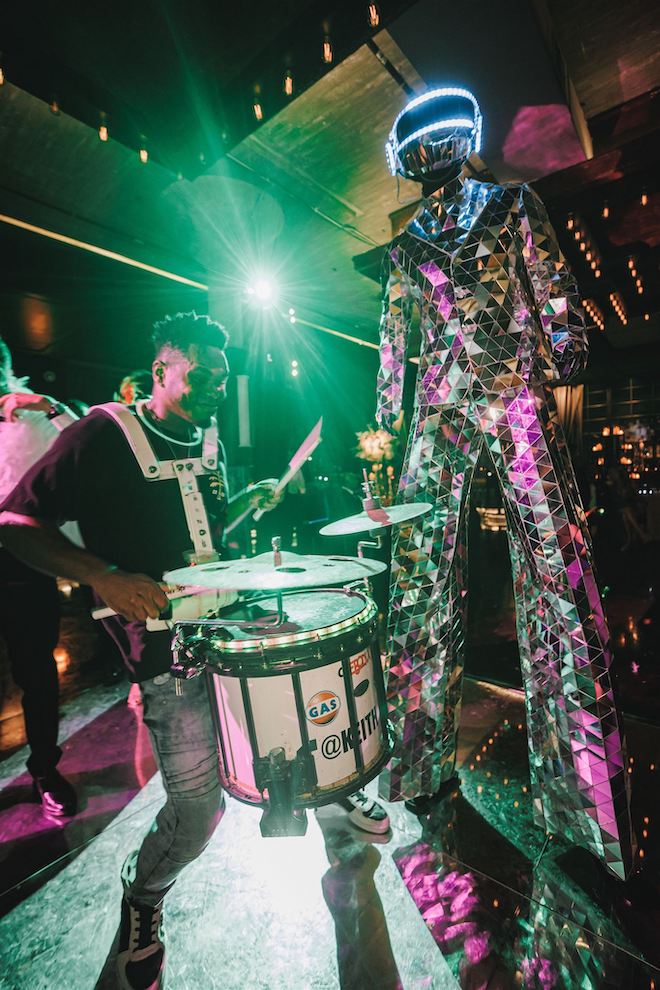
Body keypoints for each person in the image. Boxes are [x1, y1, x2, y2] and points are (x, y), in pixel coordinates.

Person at [0, 311, 388, 990]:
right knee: (196, 809)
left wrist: (249, 499)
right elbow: (15, 521)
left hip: (224, 634)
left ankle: (336, 802)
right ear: (162, 371)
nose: (215, 387)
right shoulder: (105, 430)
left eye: (223, 377)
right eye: (202, 375)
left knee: (296, 721)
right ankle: (142, 898)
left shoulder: (202, 440)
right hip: (164, 655)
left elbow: (200, 536)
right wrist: (103, 577)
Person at [375, 88, 633, 880]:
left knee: (556, 573)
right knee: (418, 579)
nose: (430, 156)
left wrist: (558, 351)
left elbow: (553, 287)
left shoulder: (513, 206)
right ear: (405, 161)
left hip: (512, 394)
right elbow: (395, 337)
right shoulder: (405, 247)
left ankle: (583, 800)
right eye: (416, 148)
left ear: (463, 139)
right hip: (440, 408)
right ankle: (414, 763)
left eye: (440, 140)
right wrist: (390, 410)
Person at [0, 335, 78, 817]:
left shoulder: (27, 414)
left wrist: (47, 405)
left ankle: (45, 769)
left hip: (22, 554)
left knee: (38, 673)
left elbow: (83, 443)